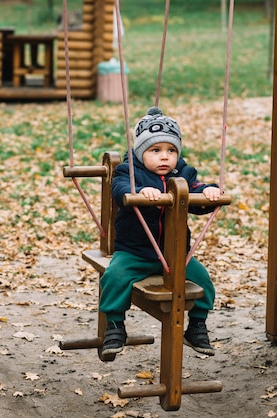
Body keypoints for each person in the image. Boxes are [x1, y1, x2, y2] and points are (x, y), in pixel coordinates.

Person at [100, 106, 221, 357]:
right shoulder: (129, 172)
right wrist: (139, 192)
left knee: (204, 282)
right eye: (155, 150)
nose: (164, 157)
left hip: (176, 257)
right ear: (141, 152)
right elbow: (119, 189)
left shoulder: (183, 175)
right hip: (135, 252)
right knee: (113, 277)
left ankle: (197, 326)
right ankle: (115, 325)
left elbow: (197, 190)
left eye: (171, 150)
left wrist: (209, 191)